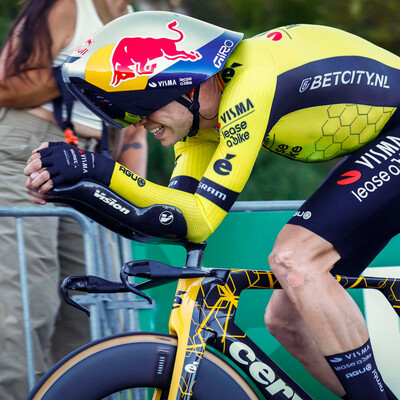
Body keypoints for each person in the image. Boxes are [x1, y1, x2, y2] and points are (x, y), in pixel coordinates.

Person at [23, 11, 400, 400]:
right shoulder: (199, 123)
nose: (139, 124)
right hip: (379, 143)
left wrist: (99, 170)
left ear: (177, 85)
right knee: (286, 321)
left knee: (294, 259)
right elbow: (171, 221)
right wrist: (74, 190)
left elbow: (200, 221)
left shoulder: (250, 82)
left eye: (140, 109)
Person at [0, 0, 147, 398]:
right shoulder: (69, 6)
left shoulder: (136, 17)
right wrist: (83, 72)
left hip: (93, 160)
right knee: (29, 302)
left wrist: (136, 193)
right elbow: (6, 84)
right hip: (29, 147)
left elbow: (135, 129)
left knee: (87, 303)